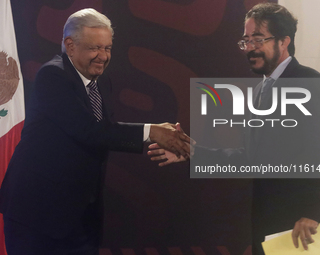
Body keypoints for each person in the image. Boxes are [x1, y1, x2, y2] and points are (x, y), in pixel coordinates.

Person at [148, 3, 320, 255]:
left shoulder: (307, 81)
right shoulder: (261, 90)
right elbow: (250, 157)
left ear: (284, 41)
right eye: (246, 40)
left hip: (300, 228)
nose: (249, 47)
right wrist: (192, 152)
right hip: (267, 225)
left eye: (258, 39)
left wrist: (313, 214)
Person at [0, 8, 191, 255]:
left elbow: (103, 134)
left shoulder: (101, 82)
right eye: (94, 48)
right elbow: (89, 131)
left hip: (80, 218)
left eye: (107, 48)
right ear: (70, 45)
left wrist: (173, 143)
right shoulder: (53, 76)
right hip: (38, 215)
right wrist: (151, 132)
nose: (103, 56)